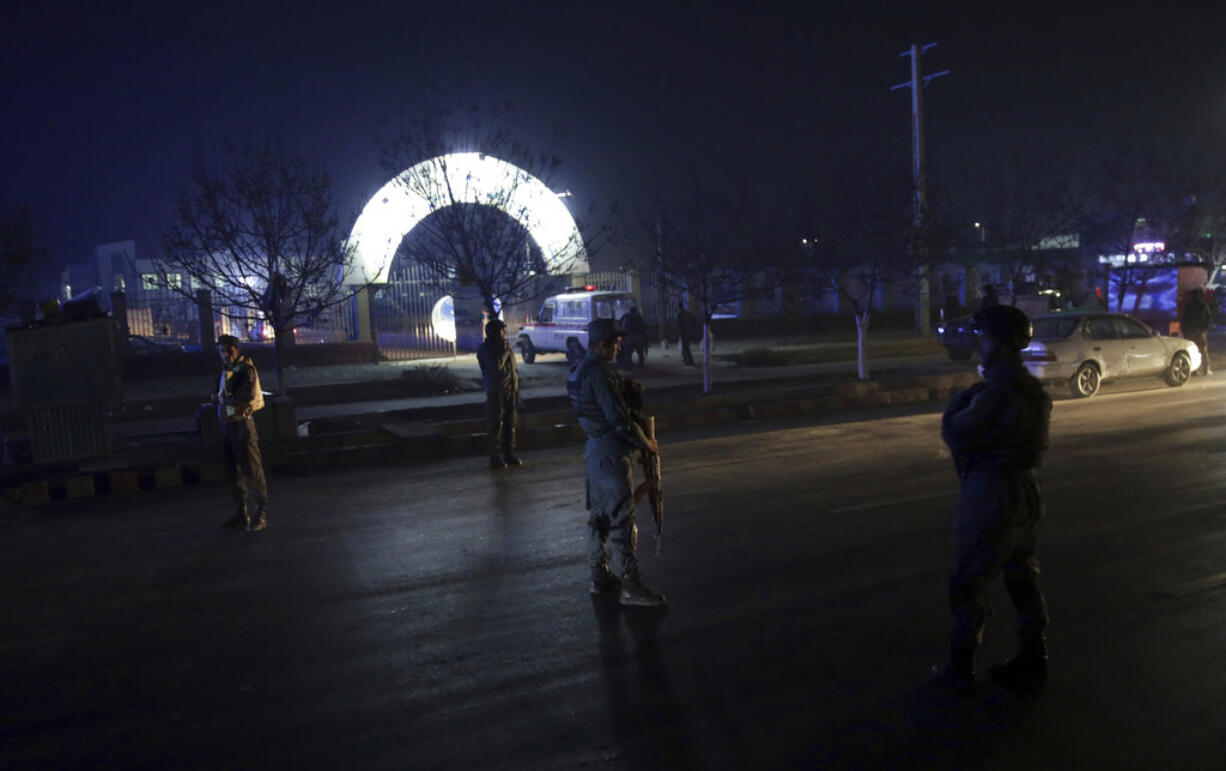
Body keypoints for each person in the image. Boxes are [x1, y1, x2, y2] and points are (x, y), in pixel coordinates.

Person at [934, 304, 1052, 694]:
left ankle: (961, 667)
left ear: (999, 345)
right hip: (1025, 489)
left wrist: (956, 405)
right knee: (1022, 577)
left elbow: (958, 433)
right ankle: (1035, 655)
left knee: (970, 582)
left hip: (993, 494)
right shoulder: (1031, 389)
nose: (980, 345)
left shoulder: (995, 393)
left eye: (984, 339)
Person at [567, 318, 666, 607]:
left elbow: (593, 404)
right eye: (614, 342)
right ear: (601, 344)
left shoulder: (579, 369)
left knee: (599, 517)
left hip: (595, 451)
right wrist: (646, 443)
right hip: (611, 454)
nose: (619, 345)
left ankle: (599, 577)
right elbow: (619, 420)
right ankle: (630, 587)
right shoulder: (598, 373)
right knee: (623, 520)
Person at [216, 335, 269, 532]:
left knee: (252, 468)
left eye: (229, 350)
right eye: (222, 351)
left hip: (242, 424)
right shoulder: (227, 370)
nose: (226, 355)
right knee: (233, 470)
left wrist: (221, 399)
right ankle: (242, 512)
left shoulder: (245, 369)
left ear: (237, 350)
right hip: (229, 424)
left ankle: (260, 513)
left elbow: (244, 397)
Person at [477, 318, 522, 470]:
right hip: (496, 392)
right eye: (502, 331)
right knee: (496, 425)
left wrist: (515, 388)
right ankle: (495, 457)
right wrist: (503, 350)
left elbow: (512, 369)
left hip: (510, 391)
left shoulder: (505, 347)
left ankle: (509, 453)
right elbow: (497, 366)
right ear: (494, 333)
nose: (504, 333)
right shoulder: (485, 349)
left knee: (510, 423)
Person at [1180, 287, 1213, 376]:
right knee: (1203, 350)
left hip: (1189, 332)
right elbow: (1209, 319)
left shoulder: (1187, 306)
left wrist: (1184, 330)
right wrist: (1203, 328)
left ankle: (1194, 370)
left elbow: (1183, 319)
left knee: (1191, 350)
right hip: (1199, 331)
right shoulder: (1202, 305)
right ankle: (1205, 369)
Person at [619, 305, 649, 370]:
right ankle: (641, 365)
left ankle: (629, 366)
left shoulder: (627, 317)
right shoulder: (639, 317)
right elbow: (643, 328)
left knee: (628, 353)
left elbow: (624, 328)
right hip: (639, 337)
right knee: (640, 352)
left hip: (630, 338)